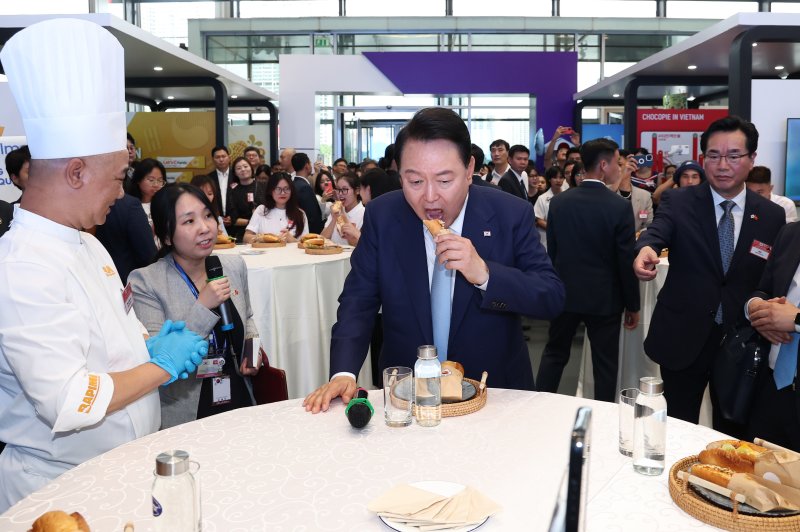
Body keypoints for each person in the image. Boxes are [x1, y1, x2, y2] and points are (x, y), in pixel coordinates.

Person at [0, 18, 207, 511]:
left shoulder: (88, 245)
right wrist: (159, 365)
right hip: (55, 488)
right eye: (117, 177)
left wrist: (148, 344)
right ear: (76, 172)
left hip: (118, 468)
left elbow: (118, 337)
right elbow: (71, 401)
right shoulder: (22, 267)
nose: (122, 192)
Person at [303, 107, 565, 413]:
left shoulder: (509, 213)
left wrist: (485, 275)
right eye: (414, 182)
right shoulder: (383, 216)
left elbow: (551, 296)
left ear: (469, 170)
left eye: (444, 181)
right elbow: (358, 300)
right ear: (399, 173)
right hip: (406, 397)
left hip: (493, 396)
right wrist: (344, 373)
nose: (429, 197)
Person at [633, 115, 785, 434]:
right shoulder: (680, 200)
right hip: (683, 334)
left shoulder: (771, 214)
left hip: (741, 340)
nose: (722, 164)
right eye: (713, 155)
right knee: (678, 426)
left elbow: (773, 275)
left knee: (732, 429)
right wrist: (646, 248)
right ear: (704, 159)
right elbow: (657, 230)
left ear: (751, 159)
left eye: (733, 155)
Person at [130, 183, 261, 429]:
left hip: (238, 396)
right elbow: (158, 359)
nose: (205, 228)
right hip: (185, 409)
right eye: (189, 221)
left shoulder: (232, 266)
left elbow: (249, 316)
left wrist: (251, 350)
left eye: (208, 215)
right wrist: (203, 306)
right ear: (166, 235)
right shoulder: (146, 282)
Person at [537, 139, 640, 402]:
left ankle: (537, 405)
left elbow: (554, 252)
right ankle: (604, 416)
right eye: (617, 162)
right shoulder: (618, 206)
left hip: (564, 292)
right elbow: (624, 259)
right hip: (605, 298)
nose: (620, 168)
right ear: (603, 165)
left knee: (554, 354)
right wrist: (633, 304)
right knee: (605, 364)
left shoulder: (560, 202)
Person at [745, 221, 800, 451]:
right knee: (758, 476)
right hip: (771, 383)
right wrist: (756, 308)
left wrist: (796, 320)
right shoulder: (791, 233)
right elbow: (764, 289)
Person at [95, 193, 159, 284]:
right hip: (127, 280)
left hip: (103, 277)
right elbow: (147, 252)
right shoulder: (129, 204)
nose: (120, 193)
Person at [244, 172, 309, 243]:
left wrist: (292, 240)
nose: (283, 193)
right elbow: (246, 237)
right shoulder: (261, 210)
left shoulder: (300, 214)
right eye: (278, 189)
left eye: (287, 189)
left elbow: (305, 244)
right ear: (271, 190)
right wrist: (263, 238)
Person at [127, 158, 167, 243]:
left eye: (160, 180)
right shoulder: (130, 206)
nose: (156, 185)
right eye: (151, 180)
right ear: (138, 180)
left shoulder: (165, 204)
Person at [320, 173, 364, 246]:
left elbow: (356, 244)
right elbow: (322, 239)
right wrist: (334, 219)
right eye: (338, 189)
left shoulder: (365, 214)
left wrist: (343, 215)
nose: (340, 194)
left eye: (344, 189)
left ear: (357, 191)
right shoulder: (336, 210)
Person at [290, 152, 324, 233]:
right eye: (310, 163)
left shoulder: (292, 184)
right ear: (307, 166)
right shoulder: (304, 187)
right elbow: (312, 216)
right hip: (308, 232)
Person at [226, 156, 257, 241]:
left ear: (251, 168)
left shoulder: (262, 186)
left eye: (246, 166)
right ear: (235, 173)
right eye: (239, 168)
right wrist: (251, 222)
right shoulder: (233, 190)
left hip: (264, 230)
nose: (243, 169)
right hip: (242, 233)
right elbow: (234, 219)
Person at [534, 166, 566, 249]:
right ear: (549, 179)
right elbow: (539, 220)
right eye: (555, 177)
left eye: (561, 177)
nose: (558, 180)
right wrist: (555, 229)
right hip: (546, 239)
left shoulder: (568, 196)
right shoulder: (542, 198)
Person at [207, 145, 233, 227]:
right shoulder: (208, 178)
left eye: (223, 156)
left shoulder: (237, 176)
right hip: (216, 222)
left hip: (236, 222)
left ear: (229, 157)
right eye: (217, 157)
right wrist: (217, 217)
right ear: (213, 159)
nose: (221, 159)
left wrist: (233, 217)